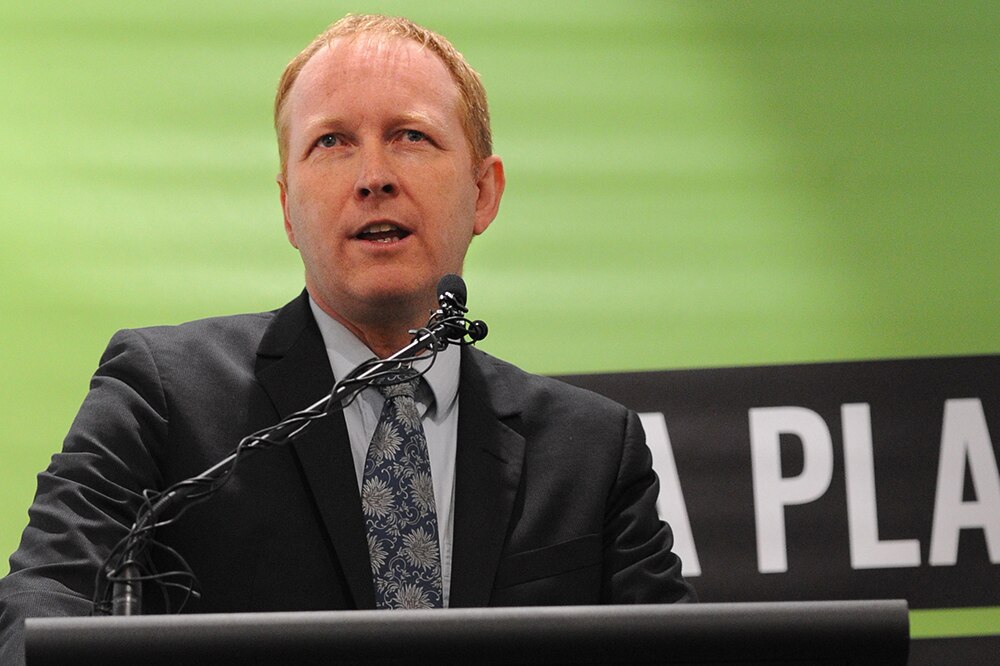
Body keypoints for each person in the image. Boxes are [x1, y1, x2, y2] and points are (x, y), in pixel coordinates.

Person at [0, 13, 693, 663]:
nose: (374, 178)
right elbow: (45, 604)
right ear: (287, 208)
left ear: (484, 192)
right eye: (331, 142)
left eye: (410, 136)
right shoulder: (163, 396)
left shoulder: (593, 452)